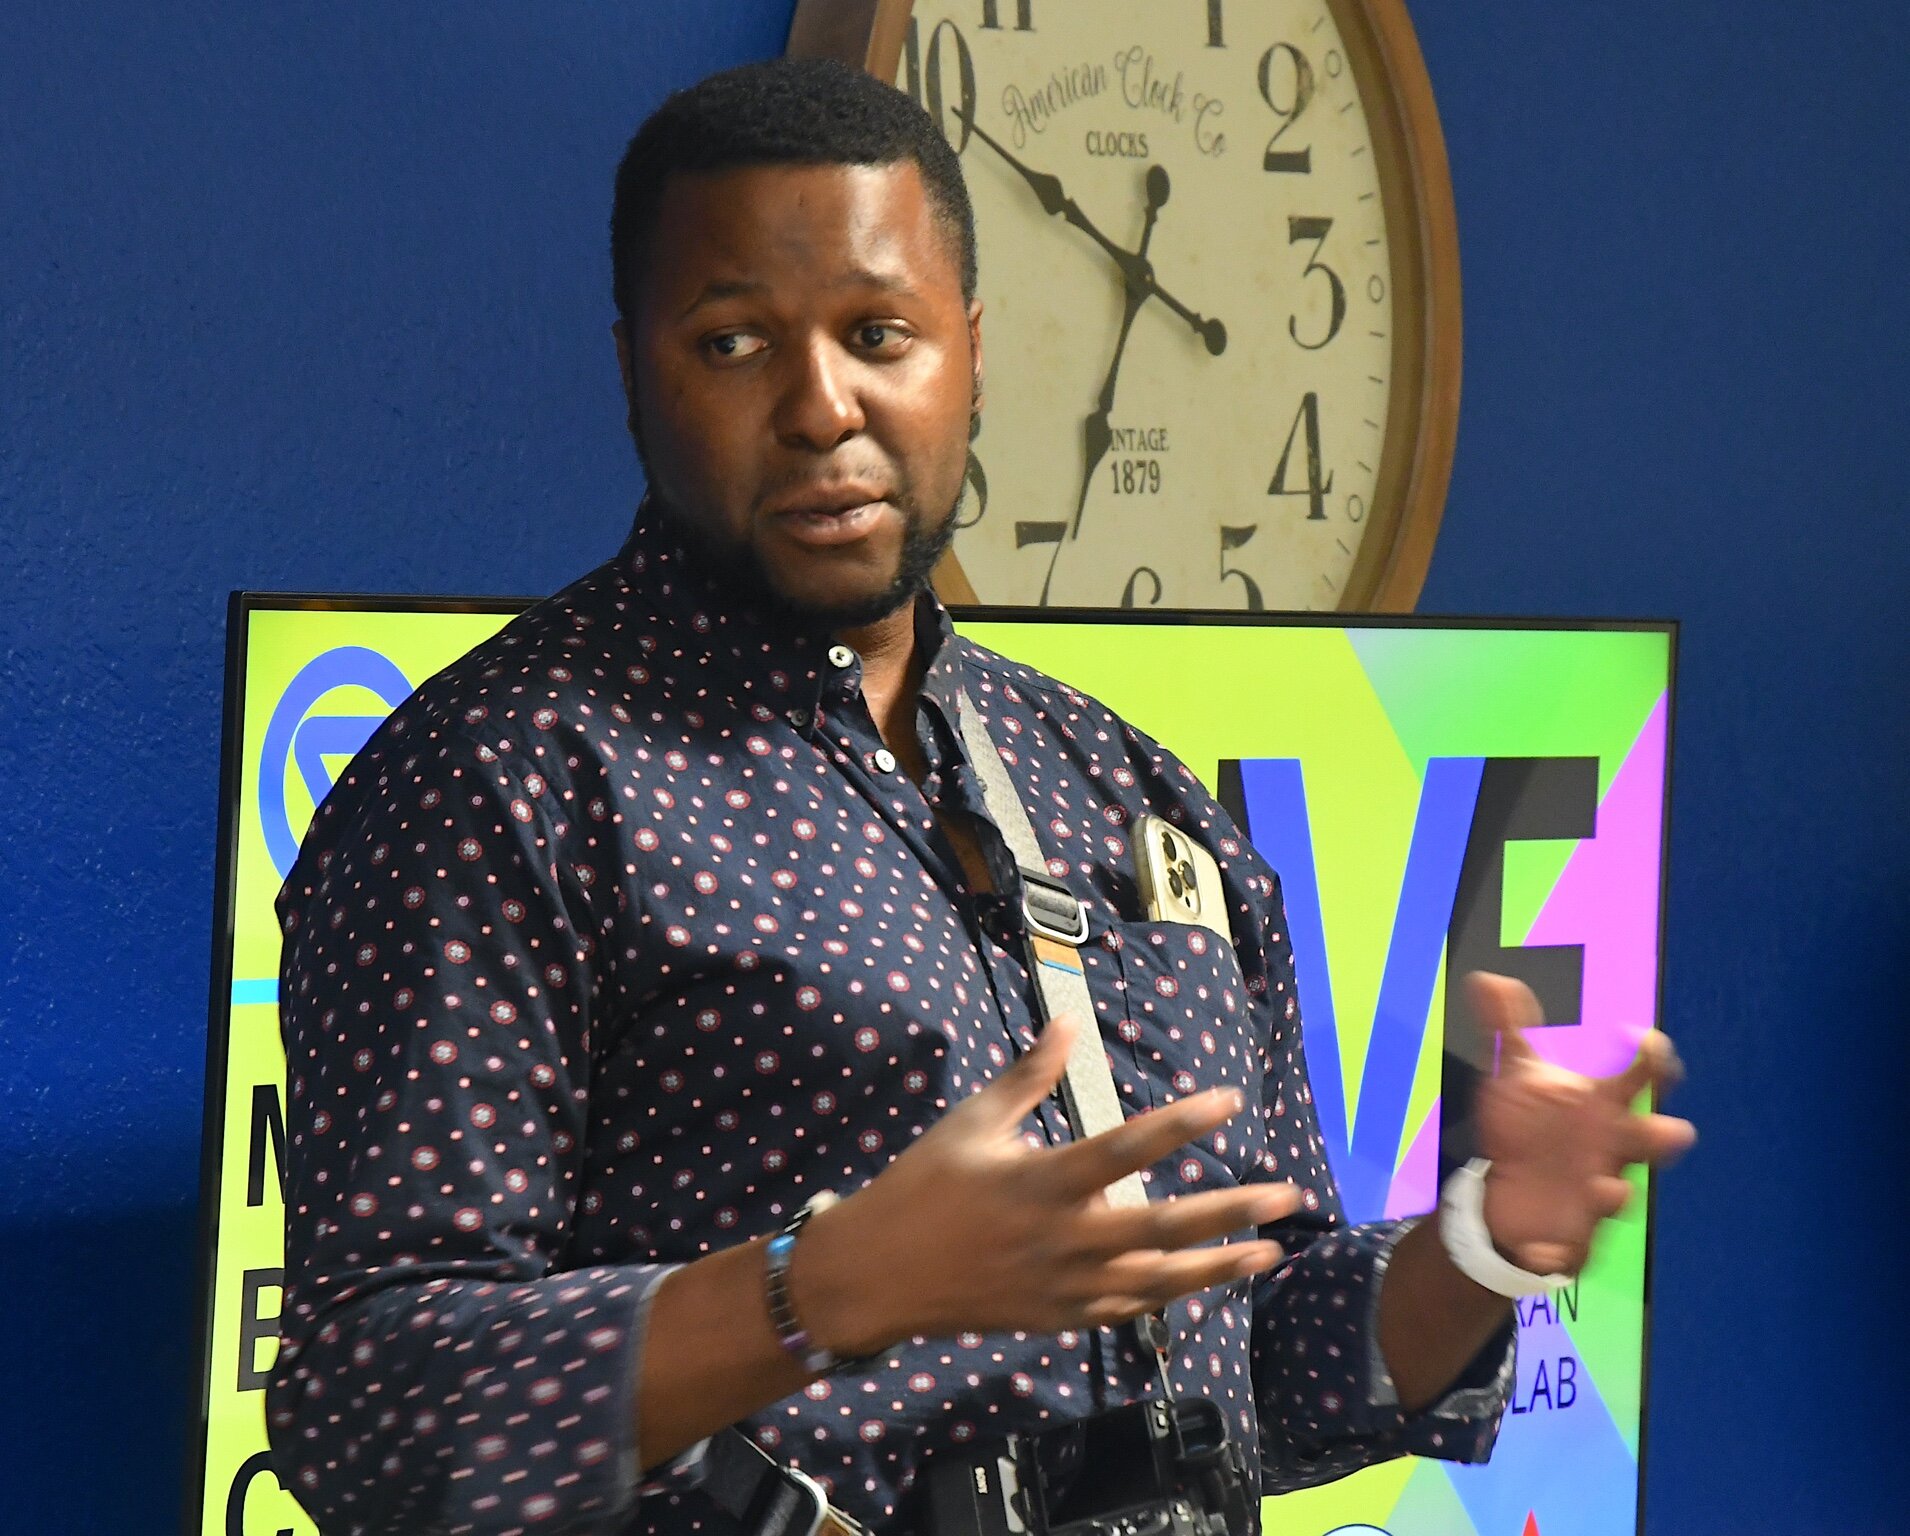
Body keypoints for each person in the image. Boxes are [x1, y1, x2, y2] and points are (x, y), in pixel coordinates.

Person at [267, 58, 1694, 1536]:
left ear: (971, 353)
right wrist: (820, 1292)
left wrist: (1483, 1248)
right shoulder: (501, 779)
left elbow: (1254, 1369)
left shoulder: (1123, 789)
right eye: (735, 341)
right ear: (636, 371)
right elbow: (366, 1408)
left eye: (878, 334)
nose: (823, 406)